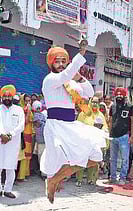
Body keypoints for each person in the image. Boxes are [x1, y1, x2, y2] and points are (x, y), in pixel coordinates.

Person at [41, 40, 108, 203]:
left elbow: (90, 92)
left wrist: (79, 77)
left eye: (64, 61)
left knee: (96, 156)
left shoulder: (70, 82)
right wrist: (82, 53)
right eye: (57, 61)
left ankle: (55, 179)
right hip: (56, 126)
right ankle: (54, 180)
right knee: (58, 158)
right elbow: (64, 75)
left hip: (71, 125)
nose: (61, 64)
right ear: (51, 63)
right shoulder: (50, 79)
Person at [75, 96, 108, 186]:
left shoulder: (100, 115)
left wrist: (104, 130)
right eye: (93, 102)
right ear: (90, 102)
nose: (94, 104)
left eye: (96, 102)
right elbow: (77, 126)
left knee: (93, 161)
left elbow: (105, 126)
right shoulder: (83, 113)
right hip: (84, 141)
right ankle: (79, 179)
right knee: (81, 161)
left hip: (95, 142)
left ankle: (90, 179)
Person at [0, 85, 25, 199]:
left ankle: (8, 190)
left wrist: (9, 135)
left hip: (13, 142)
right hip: (0, 141)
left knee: (10, 167)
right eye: (4, 96)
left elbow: (21, 125)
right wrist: (2, 134)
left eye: (9, 96)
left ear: (12, 97)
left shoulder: (18, 110)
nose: (7, 98)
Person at [108, 87, 133, 185]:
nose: (119, 96)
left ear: (125, 96)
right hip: (113, 136)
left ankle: (122, 178)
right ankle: (113, 177)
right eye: (117, 94)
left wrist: (132, 136)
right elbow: (110, 120)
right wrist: (109, 133)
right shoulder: (113, 106)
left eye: (121, 95)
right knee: (112, 158)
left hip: (124, 136)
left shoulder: (130, 106)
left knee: (125, 158)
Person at [32, 100, 46, 178]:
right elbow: (37, 124)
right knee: (40, 156)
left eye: (39, 107)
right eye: (37, 108)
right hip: (40, 139)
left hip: (44, 138)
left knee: (43, 156)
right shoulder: (36, 116)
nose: (38, 109)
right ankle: (42, 172)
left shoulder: (42, 115)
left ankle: (43, 172)